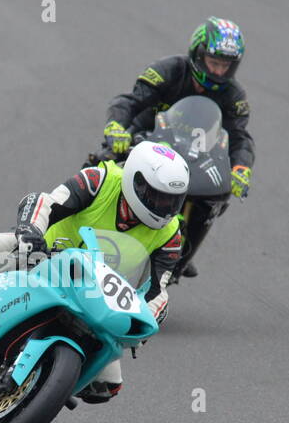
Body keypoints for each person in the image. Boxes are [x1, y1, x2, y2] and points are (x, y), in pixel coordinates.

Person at [0, 142, 189, 403]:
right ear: (134, 180)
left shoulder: (170, 233)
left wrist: (148, 317)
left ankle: (38, 385)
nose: (165, 208)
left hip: (95, 297)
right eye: (157, 197)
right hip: (40, 258)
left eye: (172, 201)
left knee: (105, 386)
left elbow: (157, 288)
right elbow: (46, 201)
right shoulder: (100, 179)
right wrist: (31, 231)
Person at [94, 17, 254, 277]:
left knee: (218, 193)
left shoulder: (234, 96)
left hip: (198, 153)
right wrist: (116, 127)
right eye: (214, 63)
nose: (218, 72)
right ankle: (79, 212)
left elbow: (240, 137)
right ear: (198, 54)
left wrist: (241, 167)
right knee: (105, 159)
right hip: (147, 135)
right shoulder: (168, 70)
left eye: (226, 66)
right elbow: (129, 101)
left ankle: (183, 249)